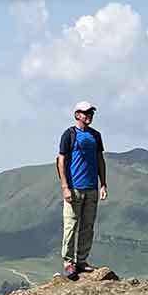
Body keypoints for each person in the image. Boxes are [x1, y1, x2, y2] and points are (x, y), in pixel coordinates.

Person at [55, 101, 108, 281]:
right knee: (71, 226)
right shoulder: (69, 135)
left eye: (91, 113)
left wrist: (103, 184)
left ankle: (81, 261)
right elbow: (61, 161)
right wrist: (65, 187)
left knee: (87, 227)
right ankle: (68, 263)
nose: (89, 116)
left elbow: (100, 159)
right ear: (77, 114)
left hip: (91, 188)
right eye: (85, 113)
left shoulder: (96, 136)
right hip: (74, 188)